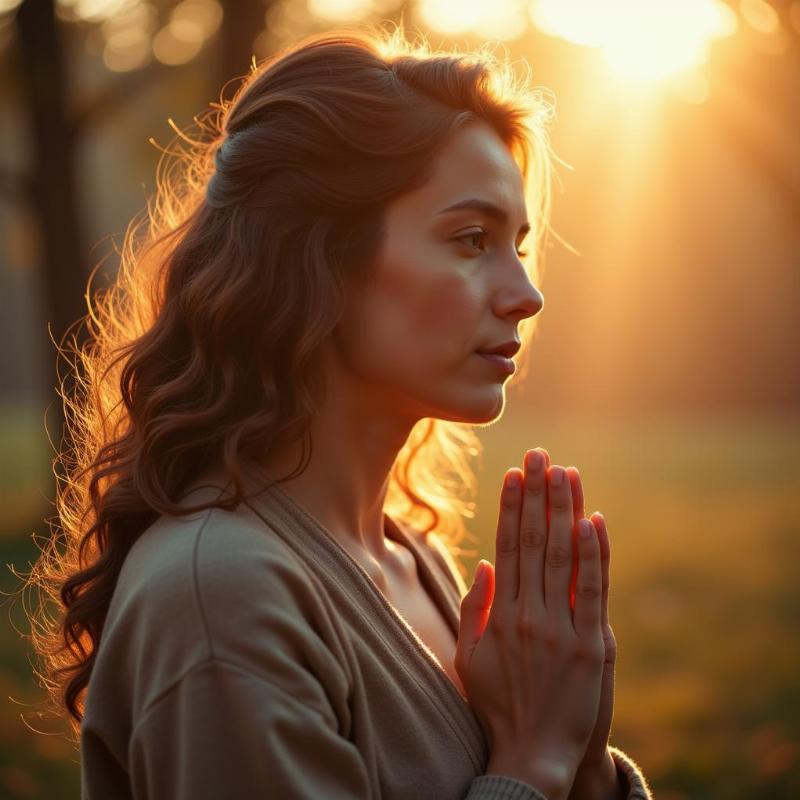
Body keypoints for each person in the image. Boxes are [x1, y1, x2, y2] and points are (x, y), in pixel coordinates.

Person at [28, 24, 653, 800]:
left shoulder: (413, 559)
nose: (526, 295)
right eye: (470, 239)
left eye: (517, 245)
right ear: (315, 255)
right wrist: (533, 766)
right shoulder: (223, 600)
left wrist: (583, 761)